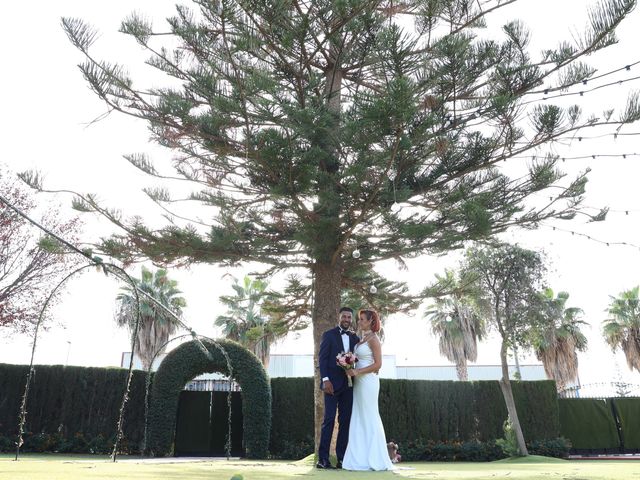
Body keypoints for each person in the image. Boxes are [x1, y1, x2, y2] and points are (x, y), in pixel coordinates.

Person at [342, 308, 395, 471]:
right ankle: (360, 457)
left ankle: (376, 458)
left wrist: (357, 371)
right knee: (359, 417)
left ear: (371, 321)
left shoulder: (374, 340)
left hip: (369, 382)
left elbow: (378, 364)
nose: (359, 322)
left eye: (362, 319)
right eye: (359, 319)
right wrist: (348, 366)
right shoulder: (361, 340)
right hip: (358, 383)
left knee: (370, 415)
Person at [317, 306, 359, 469]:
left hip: (349, 387)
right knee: (328, 421)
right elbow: (323, 359)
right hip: (331, 386)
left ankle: (342, 459)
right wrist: (326, 380)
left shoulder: (355, 338)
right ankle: (323, 459)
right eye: (344, 317)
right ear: (339, 317)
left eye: (349, 317)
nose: (347, 319)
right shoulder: (329, 335)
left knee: (345, 421)